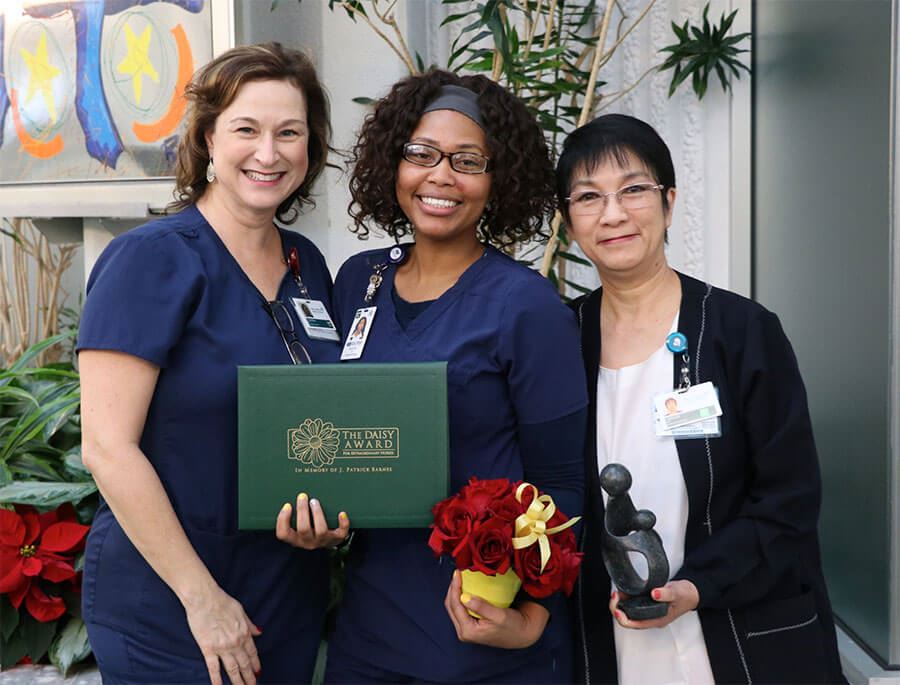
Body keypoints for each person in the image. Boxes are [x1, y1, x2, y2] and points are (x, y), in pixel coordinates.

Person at [77, 43, 347, 685]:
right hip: (170, 596)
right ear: (206, 139)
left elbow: (323, 421)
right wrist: (202, 600)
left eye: (290, 132)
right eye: (246, 129)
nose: (269, 151)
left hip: (286, 586)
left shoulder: (307, 264)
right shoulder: (151, 259)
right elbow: (107, 449)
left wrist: (330, 523)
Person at [307, 70, 587, 683]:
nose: (441, 176)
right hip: (368, 625)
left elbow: (564, 481)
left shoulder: (525, 305)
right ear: (393, 163)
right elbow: (329, 432)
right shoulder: (359, 281)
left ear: (498, 181)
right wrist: (314, 519)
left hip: (483, 627)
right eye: (422, 154)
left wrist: (534, 614)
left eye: (468, 160)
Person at [558, 114, 844, 684]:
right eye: (589, 197)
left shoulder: (740, 332)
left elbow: (789, 500)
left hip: (740, 633)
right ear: (568, 223)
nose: (612, 214)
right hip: (608, 640)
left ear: (668, 201)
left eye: (633, 189)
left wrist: (694, 586)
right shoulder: (558, 339)